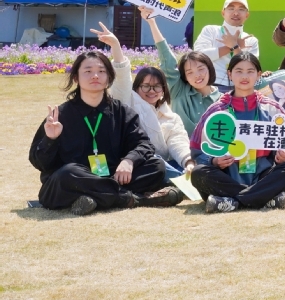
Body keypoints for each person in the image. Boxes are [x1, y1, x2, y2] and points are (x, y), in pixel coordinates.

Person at [29, 50, 181, 215]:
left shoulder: (121, 112)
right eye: (88, 71)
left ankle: (94, 198)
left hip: (113, 176)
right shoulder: (61, 115)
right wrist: (50, 139)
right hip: (74, 180)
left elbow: (144, 144)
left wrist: (129, 161)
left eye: (101, 71)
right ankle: (133, 199)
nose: (95, 76)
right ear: (76, 78)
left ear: (109, 77)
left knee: (156, 166)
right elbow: (40, 163)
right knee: (67, 174)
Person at [188, 53, 285, 213]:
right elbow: (197, 150)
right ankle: (261, 198)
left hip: (263, 176)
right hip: (227, 177)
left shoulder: (272, 108)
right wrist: (214, 161)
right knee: (198, 173)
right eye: (239, 71)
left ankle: (232, 201)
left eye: (250, 71)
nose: (244, 76)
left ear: (259, 75)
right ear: (229, 74)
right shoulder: (216, 110)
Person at [96, 21, 194, 180]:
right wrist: (116, 46)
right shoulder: (127, 103)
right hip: (128, 164)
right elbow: (121, 79)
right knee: (159, 165)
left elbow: (178, 142)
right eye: (146, 86)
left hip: (158, 166)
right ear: (136, 88)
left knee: (173, 165)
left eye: (157, 87)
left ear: (164, 90)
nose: (152, 91)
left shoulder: (172, 117)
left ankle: (183, 179)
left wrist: (188, 161)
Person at [146, 11, 222, 134]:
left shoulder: (223, 100)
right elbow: (167, 59)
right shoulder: (179, 90)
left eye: (201, 68)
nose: (197, 75)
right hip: (180, 145)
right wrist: (152, 22)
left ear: (210, 68)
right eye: (189, 72)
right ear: (185, 76)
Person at [193, 0, 259, 90]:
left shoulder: (251, 40)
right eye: (231, 9)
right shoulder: (210, 30)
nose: (236, 13)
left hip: (239, 90)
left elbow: (251, 68)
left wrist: (236, 48)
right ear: (223, 13)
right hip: (211, 87)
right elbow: (198, 57)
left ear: (247, 15)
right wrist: (231, 47)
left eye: (241, 9)